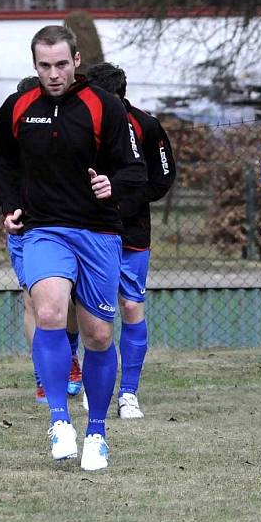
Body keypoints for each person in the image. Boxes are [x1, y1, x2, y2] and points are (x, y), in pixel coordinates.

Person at [0, 25, 146, 471]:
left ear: (76, 60)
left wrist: (113, 185)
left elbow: (136, 171)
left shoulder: (105, 107)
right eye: (44, 66)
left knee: (98, 336)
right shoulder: (18, 107)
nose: (53, 74)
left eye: (60, 64)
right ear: (34, 65)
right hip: (44, 230)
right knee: (50, 313)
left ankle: (96, 431)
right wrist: (11, 204)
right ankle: (59, 420)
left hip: (97, 232)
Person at [85, 62, 177, 419]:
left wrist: (128, 202)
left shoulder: (147, 126)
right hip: (90, 229)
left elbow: (163, 177)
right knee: (87, 311)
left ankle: (128, 394)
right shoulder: (81, 123)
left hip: (132, 231)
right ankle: (82, 381)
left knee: (131, 307)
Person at [0, 77, 83, 404]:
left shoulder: (67, 128)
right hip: (24, 229)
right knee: (33, 301)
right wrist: (9, 207)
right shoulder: (13, 130)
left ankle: (68, 356)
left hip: (63, 227)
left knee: (64, 301)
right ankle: (43, 374)